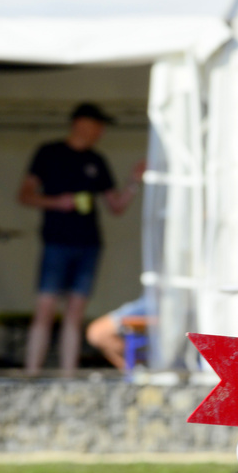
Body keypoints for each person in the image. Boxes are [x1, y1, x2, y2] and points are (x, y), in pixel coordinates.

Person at [17, 103, 143, 376]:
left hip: (89, 244)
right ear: (81, 124)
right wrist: (56, 202)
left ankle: (68, 376)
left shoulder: (97, 160)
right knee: (46, 308)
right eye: (98, 125)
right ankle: (31, 373)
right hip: (56, 242)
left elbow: (116, 206)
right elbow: (25, 195)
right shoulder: (49, 153)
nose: (101, 132)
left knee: (75, 312)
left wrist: (134, 181)